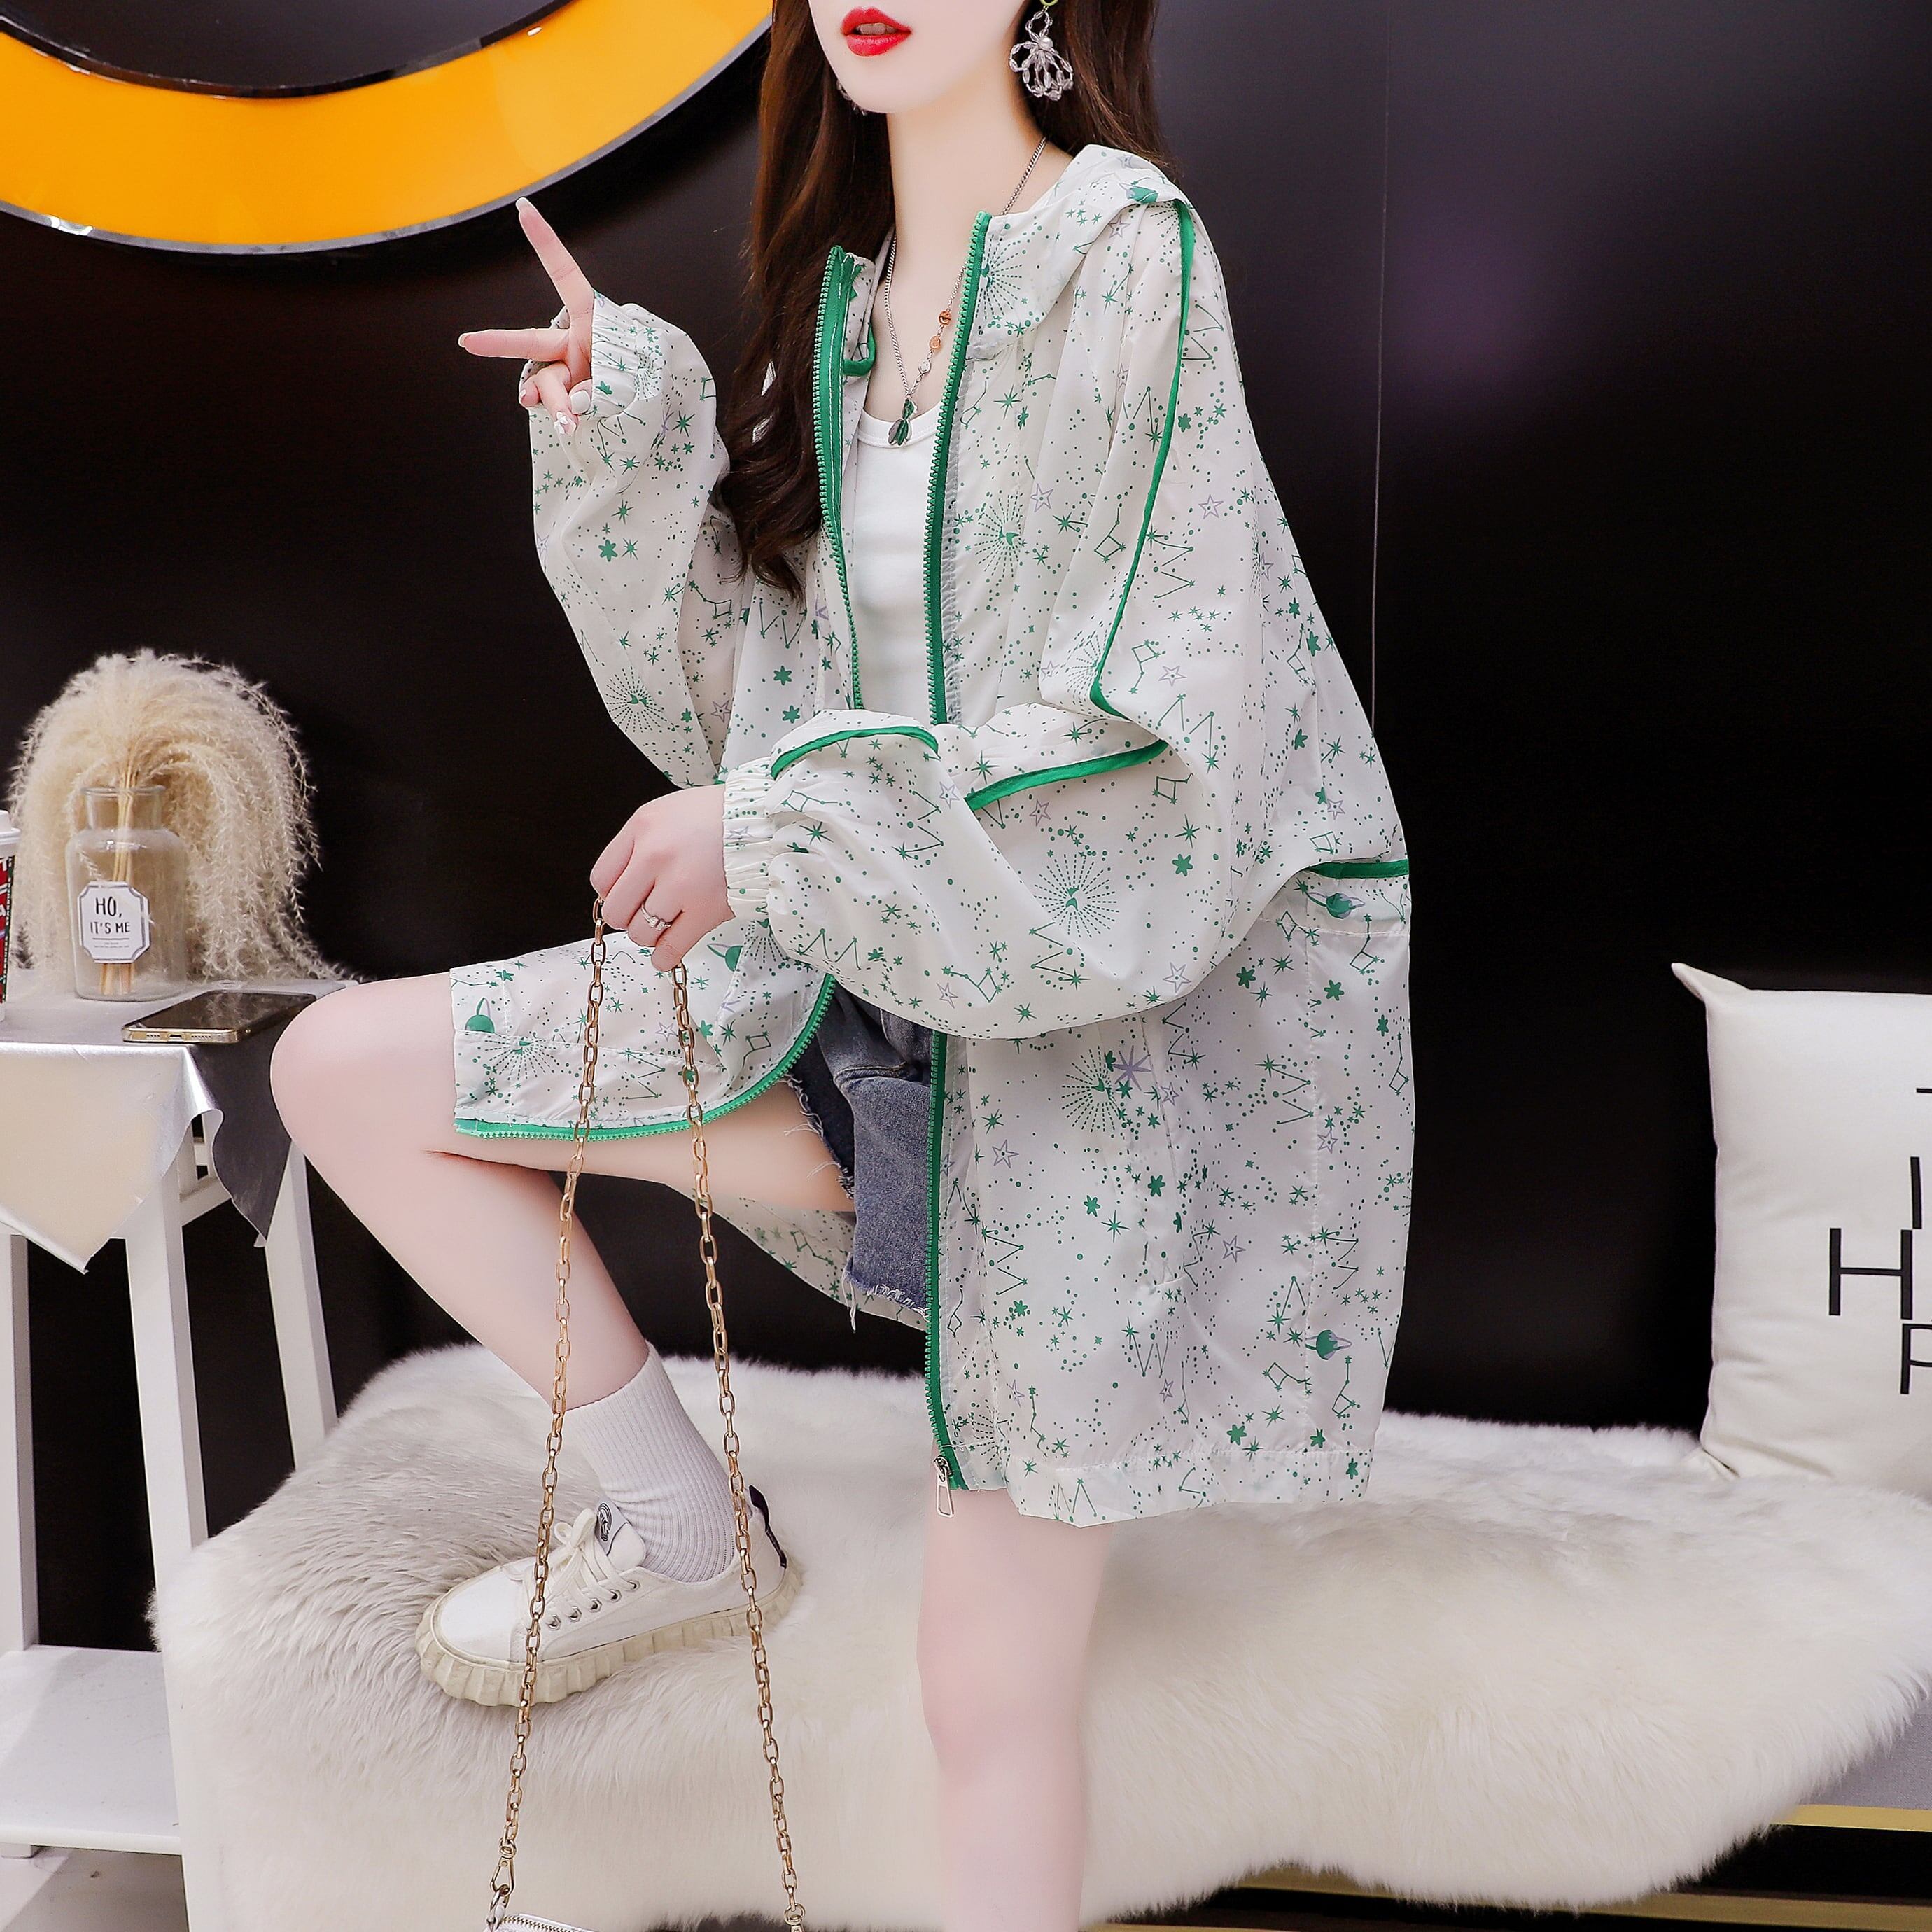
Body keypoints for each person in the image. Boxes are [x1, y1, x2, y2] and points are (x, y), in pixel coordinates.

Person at [270, 2, 1414, 1926]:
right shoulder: (850, 311)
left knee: (987, 1681)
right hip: (854, 1019)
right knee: (340, 1074)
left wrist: (777, 834)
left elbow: (1155, 737)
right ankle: (683, 1528)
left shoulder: (1124, 255)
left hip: (1077, 1078)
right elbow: (751, 700)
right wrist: (627, 445)